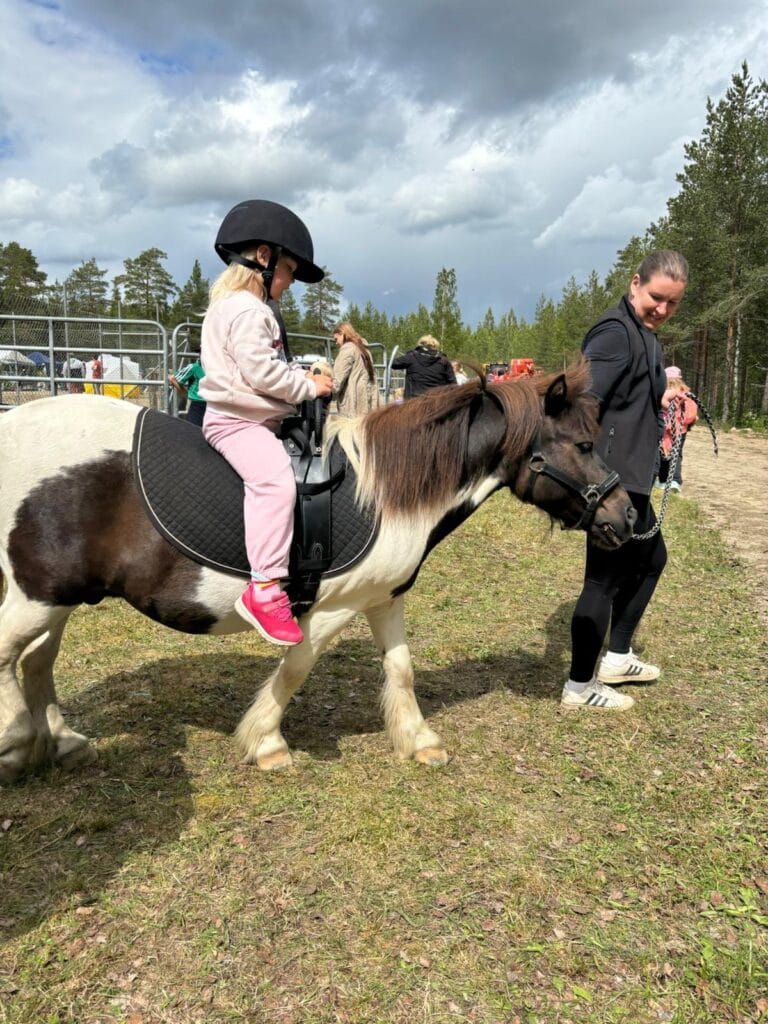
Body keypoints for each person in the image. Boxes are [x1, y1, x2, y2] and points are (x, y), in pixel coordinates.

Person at [198, 199, 333, 646]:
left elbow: (263, 367)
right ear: (263, 257)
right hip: (237, 423)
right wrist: (309, 388)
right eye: (289, 270)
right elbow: (261, 373)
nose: (290, 282)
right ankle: (265, 588)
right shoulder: (248, 310)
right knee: (276, 482)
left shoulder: (235, 307)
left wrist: (299, 376)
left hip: (246, 416)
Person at [562, 250, 689, 711]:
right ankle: (578, 687)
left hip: (632, 476)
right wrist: (591, 478)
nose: (663, 309)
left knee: (652, 557)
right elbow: (582, 403)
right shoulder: (616, 334)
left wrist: (670, 395)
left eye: (673, 303)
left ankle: (616, 656)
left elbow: (636, 393)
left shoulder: (645, 336)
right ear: (636, 283)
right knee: (602, 580)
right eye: (657, 297)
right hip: (609, 480)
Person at [656, 366, 698, 492]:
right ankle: (674, 480)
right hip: (680, 430)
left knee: (661, 452)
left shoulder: (662, 391)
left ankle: (663, 480)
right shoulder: (685, 393)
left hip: (663, 427)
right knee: (676, 454)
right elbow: (693, 415)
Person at [331, 322, 380, 416]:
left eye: (336, 339)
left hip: (353, 403)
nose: (336, 342)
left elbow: (337, 383)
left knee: (352, 429)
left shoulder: (348, 349)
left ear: (342, 333)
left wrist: (324, 387)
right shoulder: (365, 350)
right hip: (367, 400)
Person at [391, 335, 456, 398]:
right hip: (436, 402)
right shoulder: (444, 360)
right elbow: (453, 384)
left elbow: (393, 363)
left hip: (413, 402)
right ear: (435, 346)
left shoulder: (412, 357)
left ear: (420, 344)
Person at [169, 359, 207, 427]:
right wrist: (186, 394)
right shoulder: (194, 367)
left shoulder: (215, 367)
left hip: (211, 404)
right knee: (194, 430)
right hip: (196, 404)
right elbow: (173, 378)